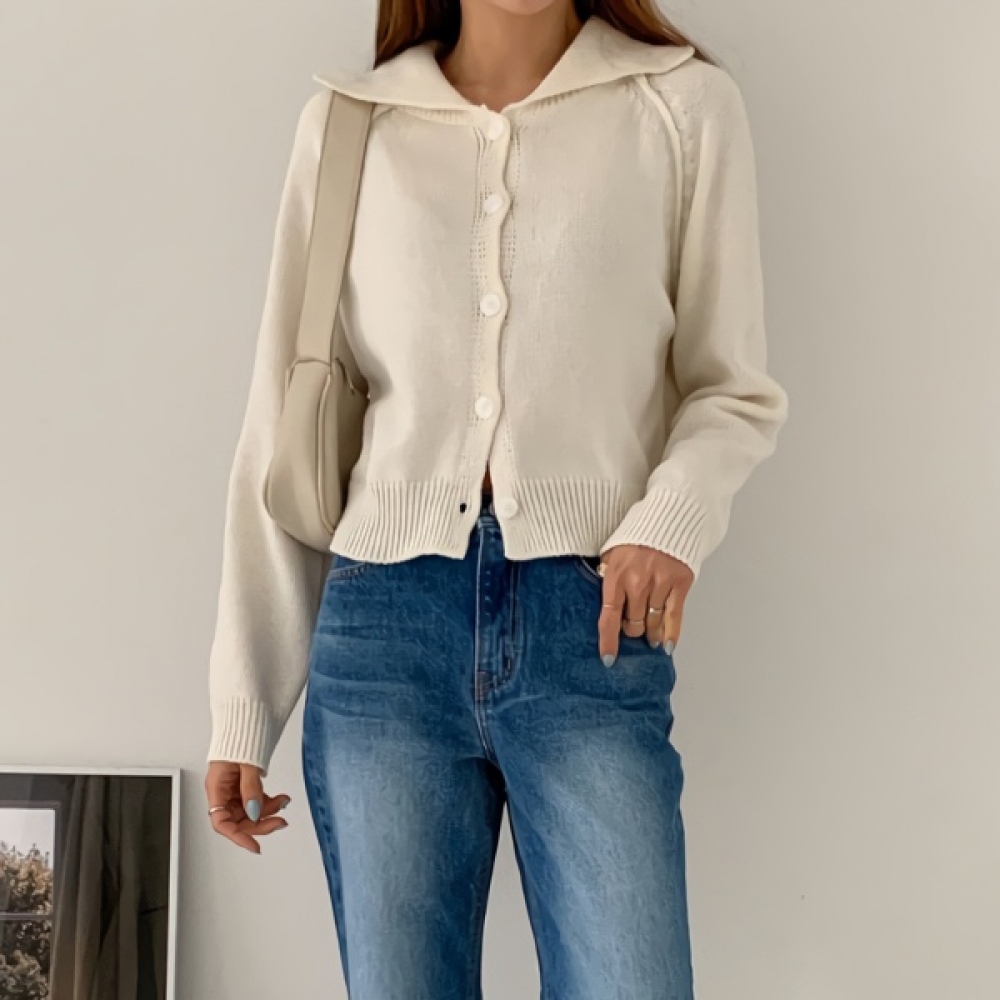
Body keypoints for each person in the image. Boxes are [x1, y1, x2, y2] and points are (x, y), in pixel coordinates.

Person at [204, 0, 789, 995]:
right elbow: (279, 424)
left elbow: (731, 389)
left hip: (590, 624)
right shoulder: (351, 124)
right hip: (381, 634)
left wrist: (667, 523)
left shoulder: (681, 106)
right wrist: (243, 705)